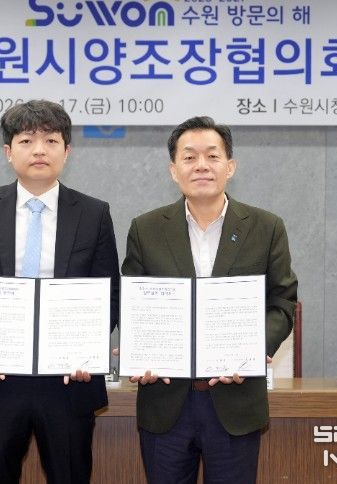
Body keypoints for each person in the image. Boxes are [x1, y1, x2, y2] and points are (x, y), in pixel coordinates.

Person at [0, 100, 120, 484]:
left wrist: (86, 349)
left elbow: (109, 295)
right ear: (9, 152)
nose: (39, 150)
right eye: (27, 141)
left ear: (66, 151)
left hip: (68, 382)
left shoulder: (94, 214)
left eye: (51, 141)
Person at [121, 116, 298, 483]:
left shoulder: (266, 227)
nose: (201, 165)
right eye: (189, 157)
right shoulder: (146, 229)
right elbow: (132, 304)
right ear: (173, 170)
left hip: (236, 404)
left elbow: (282, 303)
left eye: (212, 156)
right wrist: (139, 349)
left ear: (230, 166)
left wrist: (252, 349)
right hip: (165, 403)